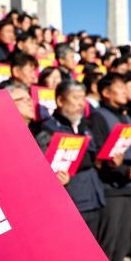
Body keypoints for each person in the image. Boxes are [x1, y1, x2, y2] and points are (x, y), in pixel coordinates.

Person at [88, 73, 131, 261]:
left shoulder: (127, 116)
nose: (126, 92)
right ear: (105, 92)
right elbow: (100, 157)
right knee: (108, 243)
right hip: (110, 189)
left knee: (122, 243)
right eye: (120, 88)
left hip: (128, 187)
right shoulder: (98, 117)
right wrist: (124, 170)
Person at [36, 81, 106, 236]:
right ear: (60, 101)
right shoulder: (48, 130)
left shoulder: (85, 126)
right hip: (73, 202)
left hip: (94, 197)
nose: (81, 103)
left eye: (83, 98)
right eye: (75, 98)